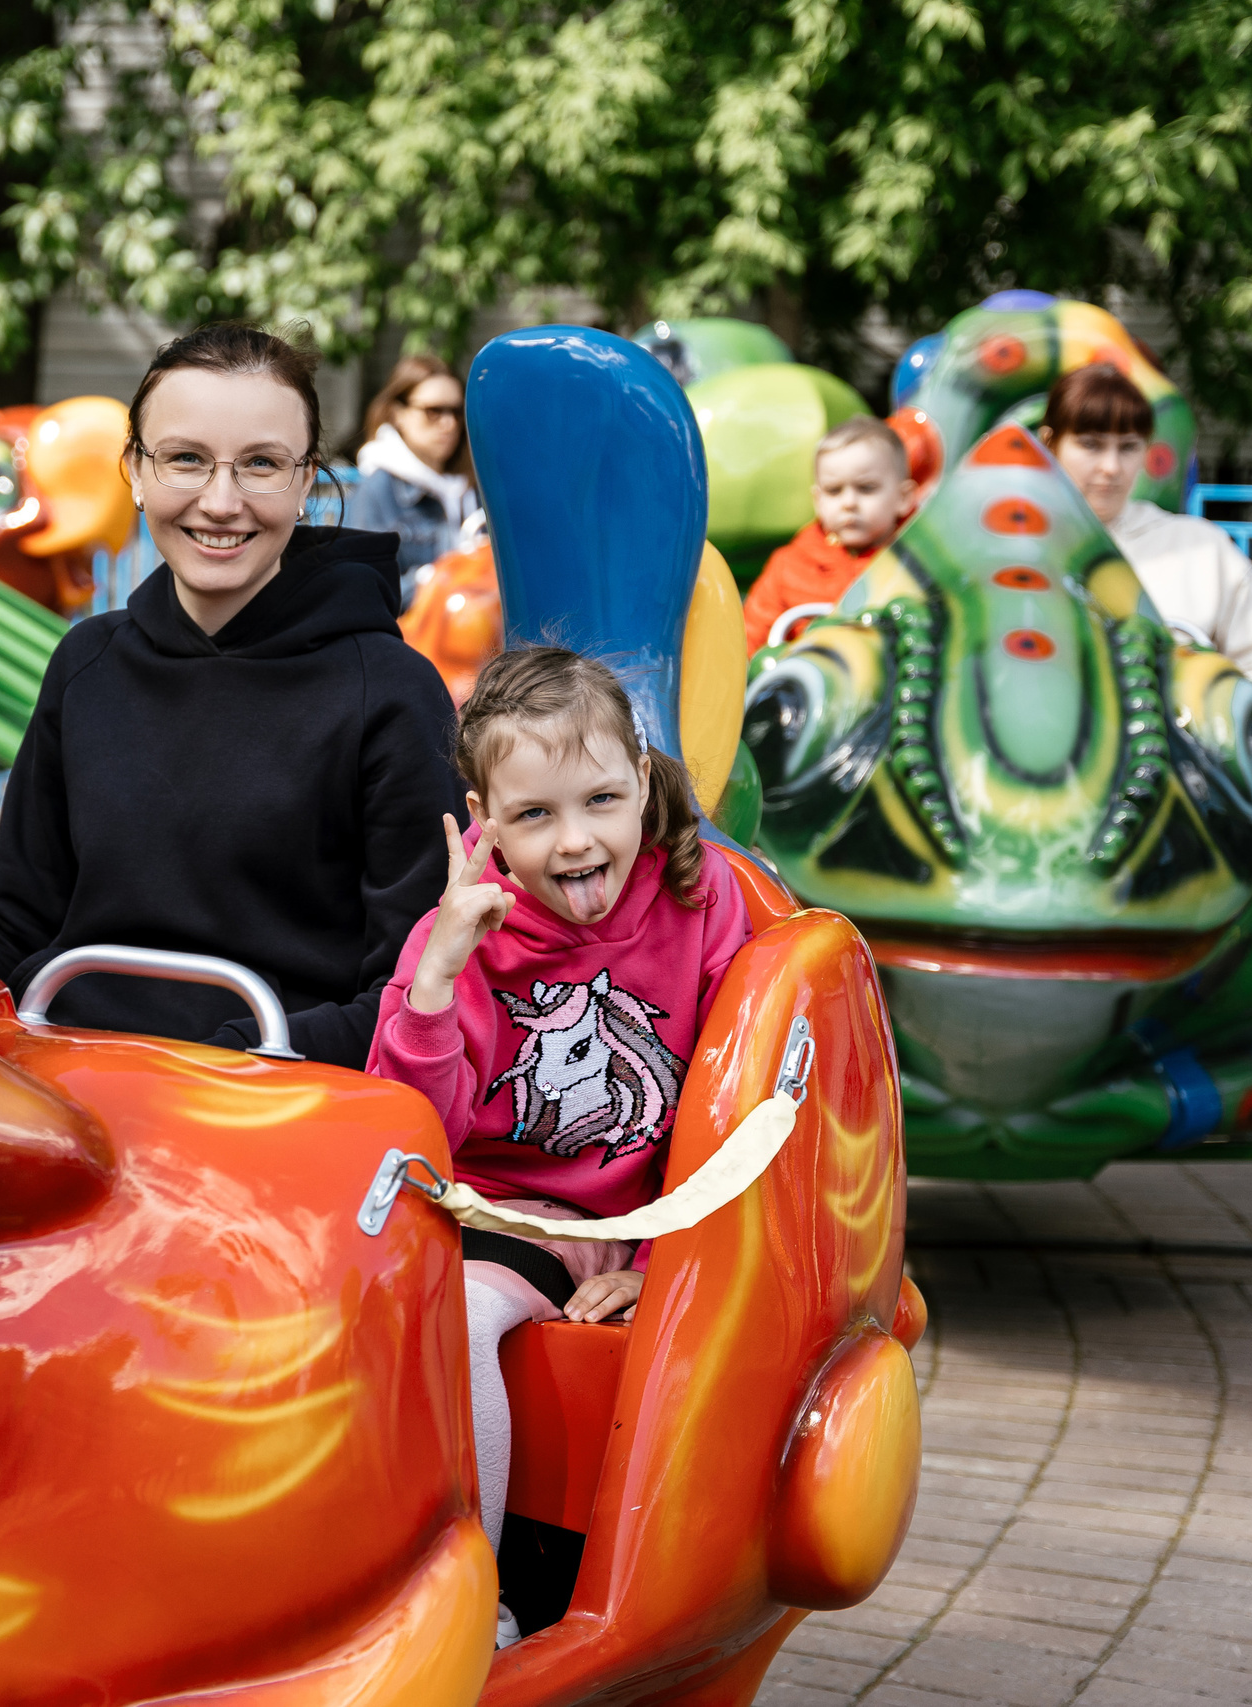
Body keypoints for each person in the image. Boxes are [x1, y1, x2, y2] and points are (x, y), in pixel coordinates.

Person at [364, 646, 749, 1647]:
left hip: (623, 1213)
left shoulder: (702, 902)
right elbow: (407, 1137)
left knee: (465, 1314)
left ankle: (483, 1603)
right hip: (484, 1206)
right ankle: (414, 1596)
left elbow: (733, 1103)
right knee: (397, 1313)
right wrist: (440, 976)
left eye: (599, 801)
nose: (574, 841)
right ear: (481, 819)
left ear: (640, 774)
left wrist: (664, 1259)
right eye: (533, 816)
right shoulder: (460, 935)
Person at [0, 324, 465, 1068]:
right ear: (134, 470)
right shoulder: (87, 663)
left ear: (306, 479)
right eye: (186, 459)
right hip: (63, 1069)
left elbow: (409, 984)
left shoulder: (389, 692)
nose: (221, 502)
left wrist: (218, 1065)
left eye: (261, 464)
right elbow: (13, 914)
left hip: (270, 1098)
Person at [1041, 364, 1252, 700]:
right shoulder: (1012, 547)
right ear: (1049, 443)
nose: (1111, 467)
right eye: (1091, 444)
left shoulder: (1200, 548)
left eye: (1128, 447)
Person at [739, 415, 917, 654]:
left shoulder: (918, 562)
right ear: (818, 501)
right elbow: (747, 640)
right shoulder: (790, 565)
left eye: (866, 488)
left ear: (903, 498)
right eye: (834, 491)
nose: (849, 502)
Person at [344, 354, 481, 599]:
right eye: (433, 411)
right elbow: (361, 588)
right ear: (399, 413)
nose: (449, 423)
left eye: (457, 411)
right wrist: (433, 581)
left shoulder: (472, 485)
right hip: (408, 634)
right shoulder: (378, 491)